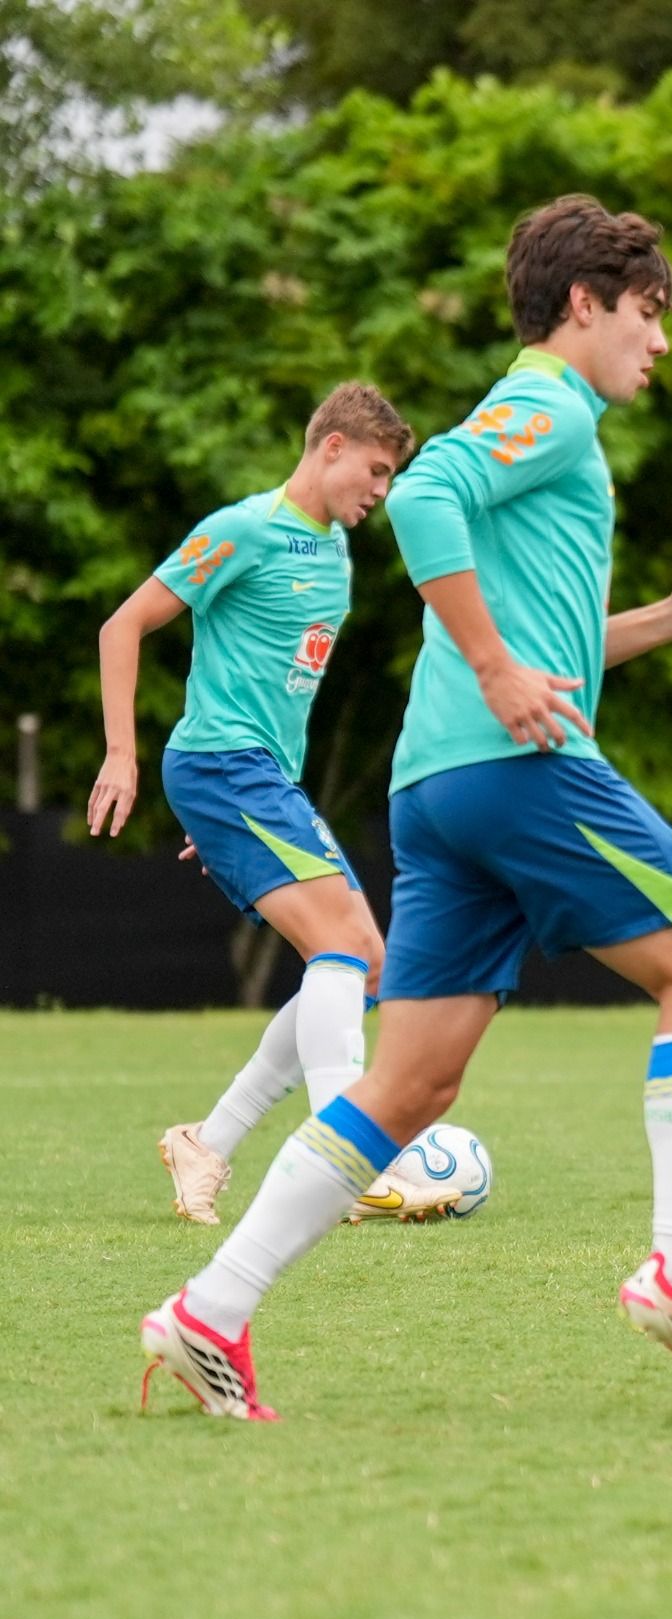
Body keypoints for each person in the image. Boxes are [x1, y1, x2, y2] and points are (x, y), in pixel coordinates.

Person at [140, 194, 672, 1420]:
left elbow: (549, 641)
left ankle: (209, 1309)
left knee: (411, 1085)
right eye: (648, 313)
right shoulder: (550, 403)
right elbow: (428, 497)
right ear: (585, 305)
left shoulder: (551, 417)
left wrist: (666, 622)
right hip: (515, 772)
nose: (662, 340)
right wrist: (490, 667)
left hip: (441, 789)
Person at [90, 384, 415, 1227]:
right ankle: (348, 1159)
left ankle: (210, 1141)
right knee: (344, 945)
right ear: (332, 446)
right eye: (376, 470)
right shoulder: (242, 529)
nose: (380, 491)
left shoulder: (335, 553)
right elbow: (120, 627)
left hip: (258, 787)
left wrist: (234, 830)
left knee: (369, 964)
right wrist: (122, 753)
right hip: (222, 767)